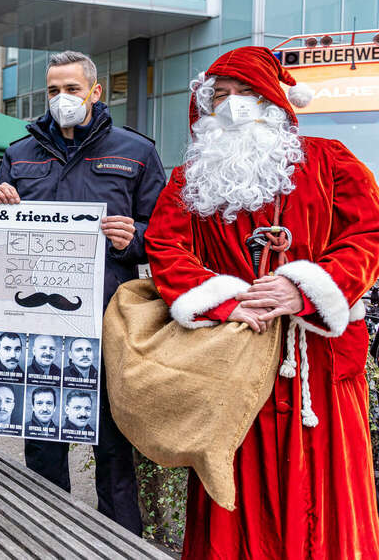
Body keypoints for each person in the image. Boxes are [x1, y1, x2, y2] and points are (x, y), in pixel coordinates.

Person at [144, 46, 379, 558]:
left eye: (246, 92)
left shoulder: (330, 159)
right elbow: (165, 246)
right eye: (220, 96)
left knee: (326, 487)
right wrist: (224, 300)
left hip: (316, 360)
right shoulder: (190, 180)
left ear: (273, 99)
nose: (232, 106)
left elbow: (370, 234)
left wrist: (305, 287)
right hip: (233, 355)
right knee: (236, 487)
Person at [0, 49, 165, 535]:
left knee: (113, 447)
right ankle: (46, 539)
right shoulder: (18, 154)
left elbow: (169, 236)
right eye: (52, 91)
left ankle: (122, 543)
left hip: (110, 324)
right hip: (38, 328)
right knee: (42, 445)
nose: (61, 99)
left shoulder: (136, 151)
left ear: (94, 92)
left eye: (71, 89)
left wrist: (136, 239)